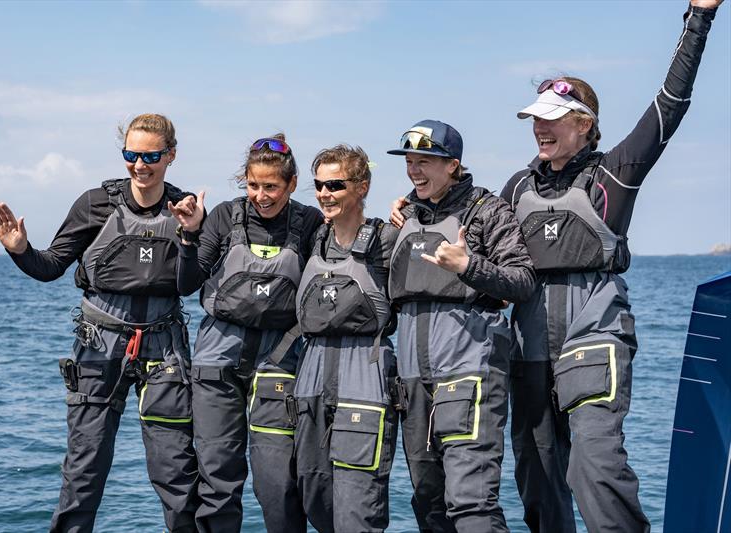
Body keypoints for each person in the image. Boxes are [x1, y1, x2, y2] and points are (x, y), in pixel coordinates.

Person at [500, 1, 724, 532]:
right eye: (536, 120)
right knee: (537, 478)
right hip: (529, 344)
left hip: (593, 335)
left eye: (552, 120)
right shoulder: (514, 188)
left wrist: (700, 16)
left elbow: (671, 103)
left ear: (585, 124)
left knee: (594, 471)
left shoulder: (613, 174)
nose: (540, 130)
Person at [0, 113, 200, 532]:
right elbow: (49, 267)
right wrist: (20, 249)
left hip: (165, 350)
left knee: (176, 474)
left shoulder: (185, 209)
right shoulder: (95, 204)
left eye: (151, 155)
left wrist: (191, 236)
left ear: (171, 155)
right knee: (84, 473)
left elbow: (191, 283)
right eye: (131, 155)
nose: (140, 165)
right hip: (99, 347)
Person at [386, 120, 535, 532]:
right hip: (413, 381)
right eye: (410, 162)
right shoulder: (405, 217)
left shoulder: (487, 211)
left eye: (425, 162)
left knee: (471, 504)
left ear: (452, 165)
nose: (415, 171)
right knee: (428, 502)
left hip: (469, 375)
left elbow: (522, 281)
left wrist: (469, 266)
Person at [172, 134, 324, 532]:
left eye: (271, 186)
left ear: (291, 185)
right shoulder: (224, 216)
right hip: (216, 365)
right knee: (217, 479)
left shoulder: (309, 222)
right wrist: (188, 236)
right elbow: (187, 283)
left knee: (278, 483)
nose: (261, 195)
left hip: (280, 364)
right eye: (253, 185)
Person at [292, 144, 399, 532]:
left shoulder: (388, 241)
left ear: (362, 187)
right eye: (319, 185)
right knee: (315, 498)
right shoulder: (311, 238)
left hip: (364, 377)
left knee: (358, 508)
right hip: (312, 377)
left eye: (335, 184)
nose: (324, 193)